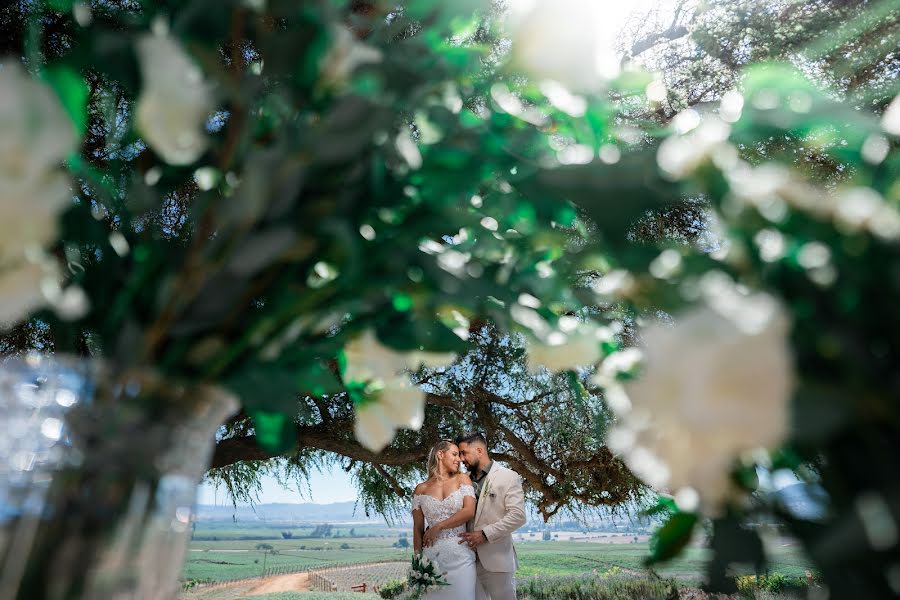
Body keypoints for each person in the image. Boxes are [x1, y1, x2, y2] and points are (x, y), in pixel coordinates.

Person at [456, 432, 527, 600]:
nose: (460, 459)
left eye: (464, 453)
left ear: (479, 451)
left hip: (498, 560)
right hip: (467, 561)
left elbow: (518, 516)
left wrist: (485, 534)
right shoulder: (461, 480)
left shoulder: (508, 477)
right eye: (458, 454)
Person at [412, 440, 478, 599]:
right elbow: (418, 529)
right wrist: (418, 563)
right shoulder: (421, 489)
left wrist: (438, 526)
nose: (459, 459)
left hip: (461, 557)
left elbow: (469, 511)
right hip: (432, 560)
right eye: (454, 454)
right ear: (440, 454)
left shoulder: (462, 479)